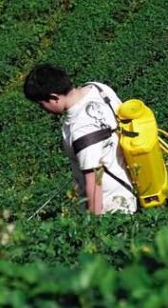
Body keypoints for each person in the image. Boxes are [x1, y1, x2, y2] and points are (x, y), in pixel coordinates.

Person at [23, 64, 138, 215]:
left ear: (53, 98)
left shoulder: (81, 129)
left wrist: (93, 226)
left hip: (114, 207)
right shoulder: (98, 89)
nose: (42, 109)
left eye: (41, 104)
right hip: (133, 184)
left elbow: (95, 180)